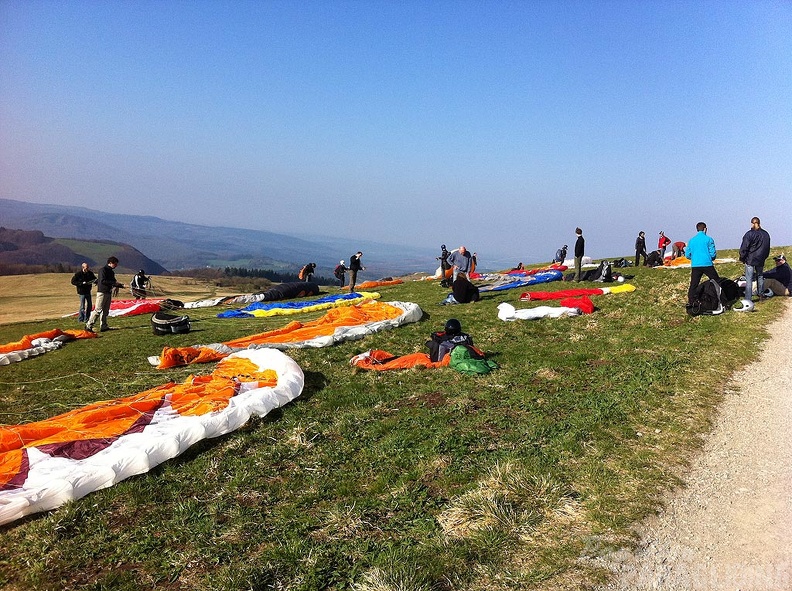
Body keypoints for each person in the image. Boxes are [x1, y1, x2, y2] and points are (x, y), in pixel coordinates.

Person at [86, 256, 125, 333]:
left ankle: (104, 326)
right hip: (102, 292)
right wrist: (114, 283)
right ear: (110, 263)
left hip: (108, 292)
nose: (116, 266)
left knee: (105, 311)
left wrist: (120, 285)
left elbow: (113, 281)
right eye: (115, 264)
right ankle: (88, 325)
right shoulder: (102, 270)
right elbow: (103, 281)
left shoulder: (111, 272)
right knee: (98, 310)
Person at [684, 222, 719, 306]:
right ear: (705, 229)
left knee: (693, 284)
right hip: (707, 264)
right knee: (716, 281)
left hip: (696, 265)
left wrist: (694, 258)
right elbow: (713, 253)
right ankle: (720, 299)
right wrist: (711, 258)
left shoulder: (691, 240)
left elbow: (687, 254)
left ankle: (692, 302)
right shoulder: (709, 239)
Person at [738, 217, 771, 301]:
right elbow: (767, 248)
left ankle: (748, 298)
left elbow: (744, 247)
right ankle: (761, 295)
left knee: (749, 279)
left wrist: (742, 258)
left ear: (753, 223)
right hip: (760, 259)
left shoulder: (749, 234)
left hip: (750, 259)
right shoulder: (766, 234)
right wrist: (764, 257)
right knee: (760, 276)